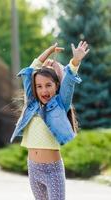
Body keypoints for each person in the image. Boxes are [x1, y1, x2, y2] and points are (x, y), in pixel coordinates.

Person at [10, 41, 90, 200]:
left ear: (56, 86)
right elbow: (31, 71)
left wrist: (75, 61)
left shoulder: (60, 105)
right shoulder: (31, 104)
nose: (44, 90)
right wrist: (49, 50)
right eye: (39, 86)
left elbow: (69, 81)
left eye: (48, 85)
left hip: (52, 171)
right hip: (33, 169)